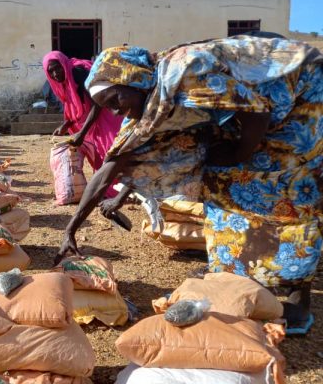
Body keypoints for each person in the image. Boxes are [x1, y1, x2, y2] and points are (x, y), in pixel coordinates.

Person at [57, 38, 323, 332]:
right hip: (257, 114)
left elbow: (257, 110)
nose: (116, 112)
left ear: (132, 79)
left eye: (115, 101)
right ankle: (240, 280)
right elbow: (111, 166)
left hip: (301, 96)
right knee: (224, 183)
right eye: (109, 108)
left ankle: (299, 301)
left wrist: (240, 153)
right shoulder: (149, 100)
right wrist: (71, 229)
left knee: (287, 191)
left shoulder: (186, 71)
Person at [42, 51, 124, 176]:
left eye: (57, 68)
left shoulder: (78, 73)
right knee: (101, 154)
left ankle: (121, 188)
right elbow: (74, 104)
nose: (55, 73)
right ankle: (108, 189)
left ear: (63, 64)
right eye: (51, 71)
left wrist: (82, 133)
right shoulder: (64, 81)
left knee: (111, 152)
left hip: (108, 114)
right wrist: (67, 124)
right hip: (97, 116)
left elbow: (98, 103)